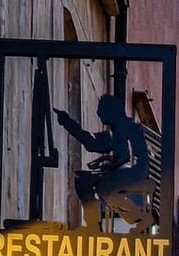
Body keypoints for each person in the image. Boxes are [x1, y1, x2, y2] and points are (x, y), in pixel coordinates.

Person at [54, 95, 155, 232]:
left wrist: (106, 165)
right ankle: (102, 222)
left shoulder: (123, 127)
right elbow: (93, 144)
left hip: (135, 172)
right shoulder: (120, 127)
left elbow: (124, 155)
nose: (98, 114)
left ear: (110, 111)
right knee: (88, 182)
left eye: (100, 111)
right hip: (132, 171)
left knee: (97, 185)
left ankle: (97, 225)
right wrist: (68, 123)